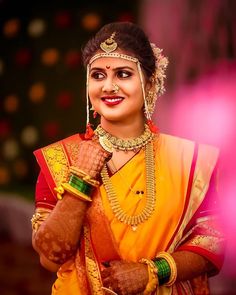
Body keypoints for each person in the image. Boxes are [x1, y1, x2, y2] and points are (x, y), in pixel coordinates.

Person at [31, 22, 225, 295]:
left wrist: (154, 271)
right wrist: (79, 181)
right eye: (97, 76)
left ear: (149, 81)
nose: (108, 86)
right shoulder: (61, 159)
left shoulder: (190, 160)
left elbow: (213, 240)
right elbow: (49, 259)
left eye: (122, 74)